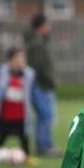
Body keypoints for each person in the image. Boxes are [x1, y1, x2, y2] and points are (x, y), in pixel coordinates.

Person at [0, 47, 39, 166]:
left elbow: (31, 92)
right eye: (18, 57)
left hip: (21, 110)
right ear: (11, 59)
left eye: (22, 58)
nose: (21, 60)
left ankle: (27, 157)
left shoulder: (29, 73)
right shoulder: (2, 72)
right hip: (6, 110)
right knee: (2, 134)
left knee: (24, 135)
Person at [24, 13, 59, 156]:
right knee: (46, 116)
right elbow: (39, 66)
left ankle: (43, 145)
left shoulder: (39, 42)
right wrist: (50, 80)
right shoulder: (37, 44)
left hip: (41, 84)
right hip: (41, 85)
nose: (49, 27)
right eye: (47, 24)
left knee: (43, 116)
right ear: (42, 26)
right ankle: (44, 146)